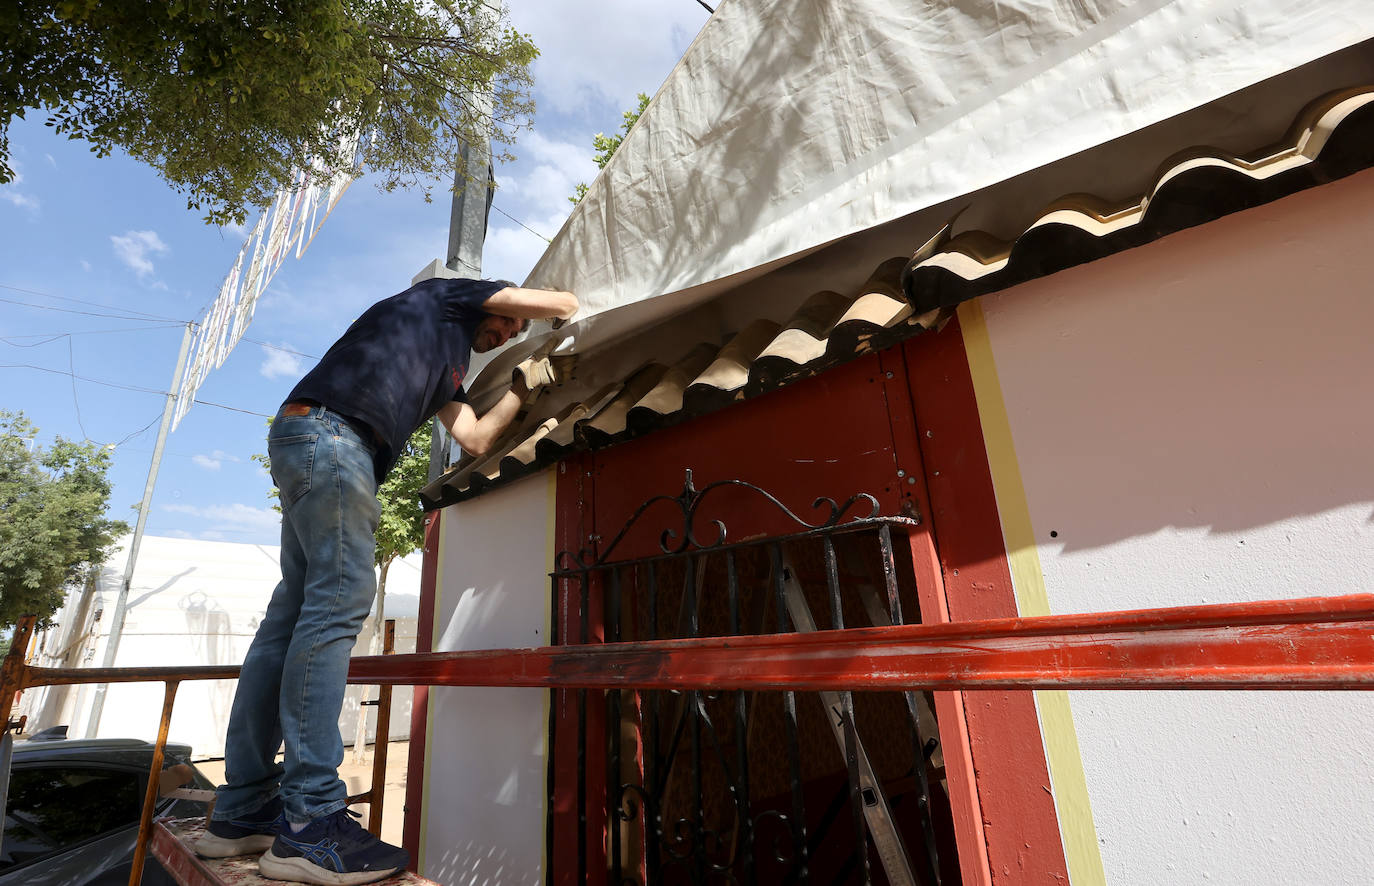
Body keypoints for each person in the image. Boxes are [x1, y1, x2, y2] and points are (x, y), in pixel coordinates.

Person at [194, 277, 578, 885]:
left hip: (315, 443)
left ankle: (242, 813)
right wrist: (561, 321)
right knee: (338, 605)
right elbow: (565, 303)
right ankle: (310, 823)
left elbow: (475, 436)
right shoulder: (441, 298)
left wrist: (521, 393)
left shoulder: (446, 373)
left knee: (290, 619)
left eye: (511, 332)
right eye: (505, 323)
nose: (504, 331)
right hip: (334, 438)